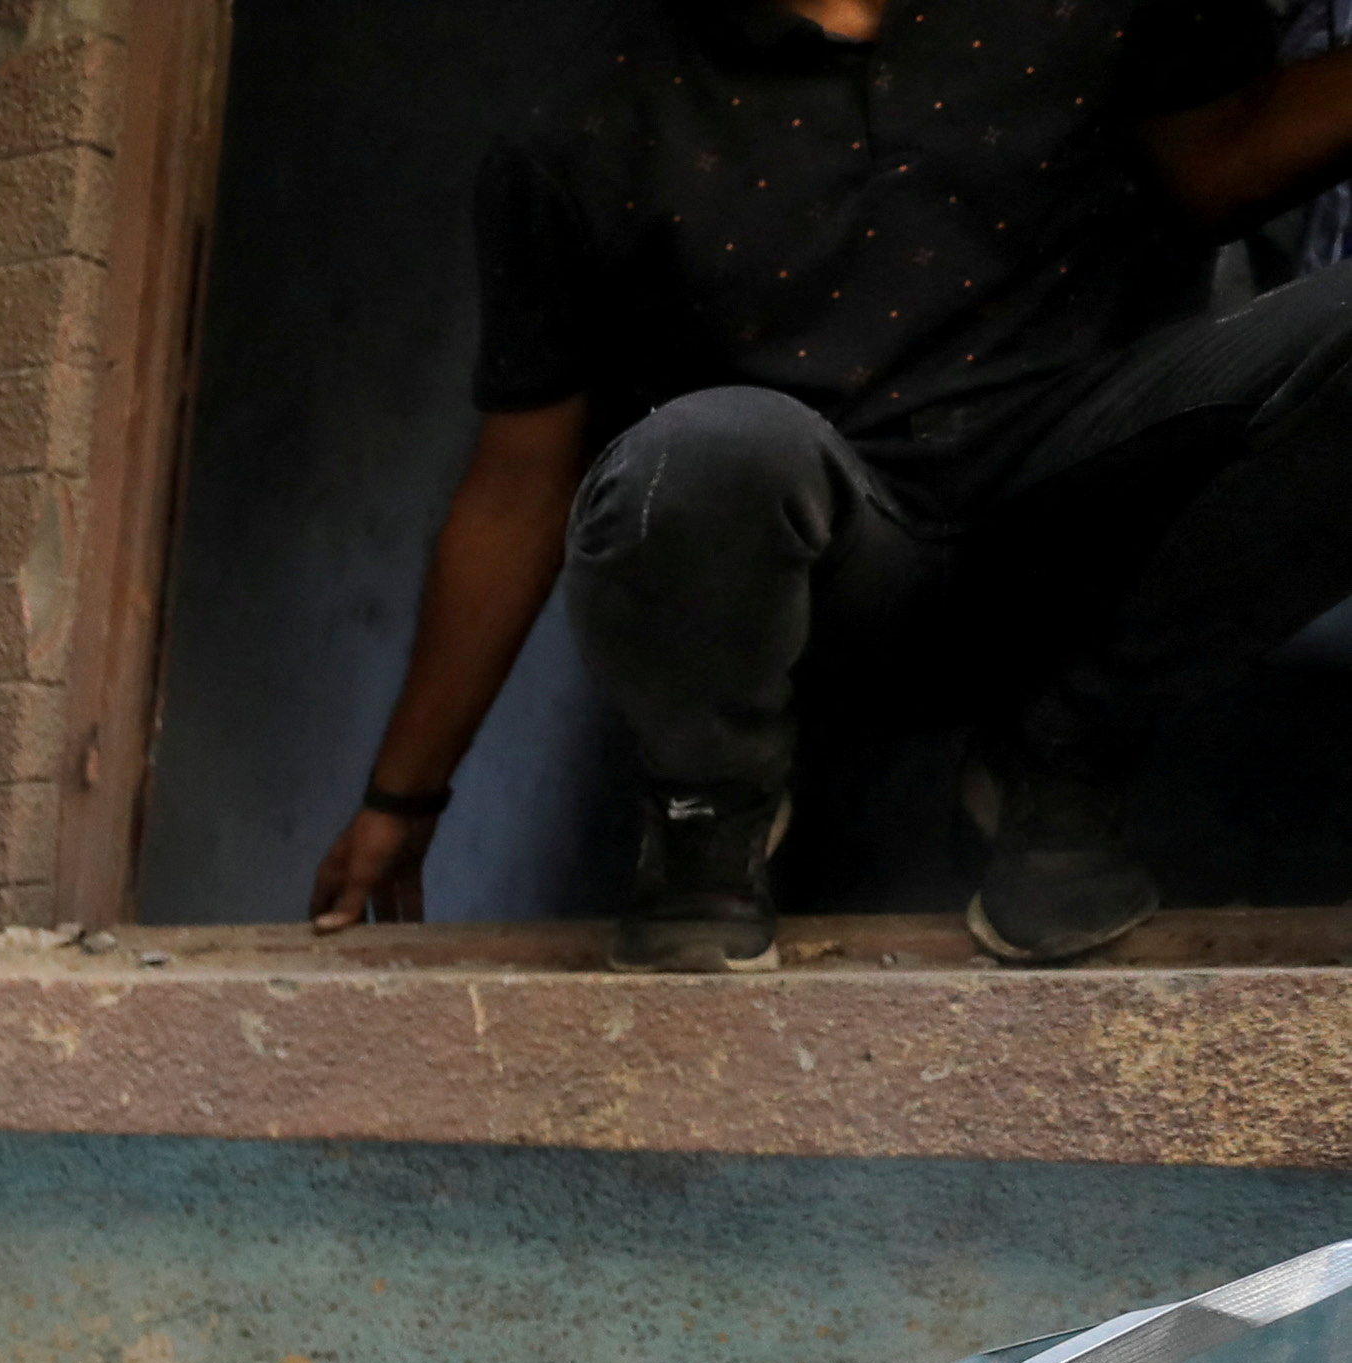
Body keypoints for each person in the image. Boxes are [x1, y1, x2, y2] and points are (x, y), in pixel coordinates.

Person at [310, 0, 1352, 970]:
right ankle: (708, 821)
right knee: (699, 454)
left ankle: (1057, 765)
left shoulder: (1087, 15)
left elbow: (1226, 155)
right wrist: (402, 798)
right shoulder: (593, 123)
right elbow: (516, 489)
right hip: (834, 587)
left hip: (1081, 533)